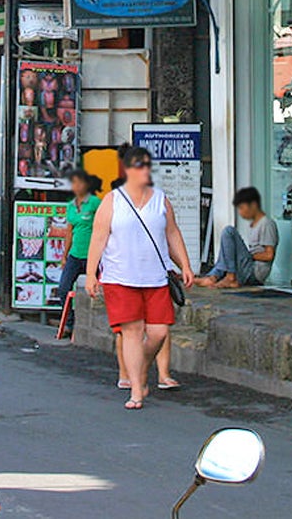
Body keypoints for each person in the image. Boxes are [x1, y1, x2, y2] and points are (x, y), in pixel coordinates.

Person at [86, 145, 195, 410]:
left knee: (158, 332)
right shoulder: (113, 200)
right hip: (120, 276)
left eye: (147, 165)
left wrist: (185, 264)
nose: (144, 170)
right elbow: (98, 237)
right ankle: (136, 389)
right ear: (128, 170)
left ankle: (141, 368)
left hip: (155, 277)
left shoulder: (160, 199)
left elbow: (172, 233)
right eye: (138, 166)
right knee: (132, 332)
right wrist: (91, 273)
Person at [196, 186, 279, 289]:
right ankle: (213, 277)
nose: (241, 212)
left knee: (229, 231)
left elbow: (269, 255)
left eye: (242, 208)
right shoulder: (255, 225)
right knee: (228, 248)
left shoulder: (267, 224)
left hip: (255, 271)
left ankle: (229, 277)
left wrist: (250, 256)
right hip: (249, 266)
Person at [52, 170, 98, 309]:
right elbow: (69, 232)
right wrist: (64, 256)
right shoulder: (70, 206)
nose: (76, 186)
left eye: (79, 183)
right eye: (74, 183)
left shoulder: (95, 202)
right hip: (75, 254)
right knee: (63, 289)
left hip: (92, 255)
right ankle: (70, 324)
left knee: (93, 291)